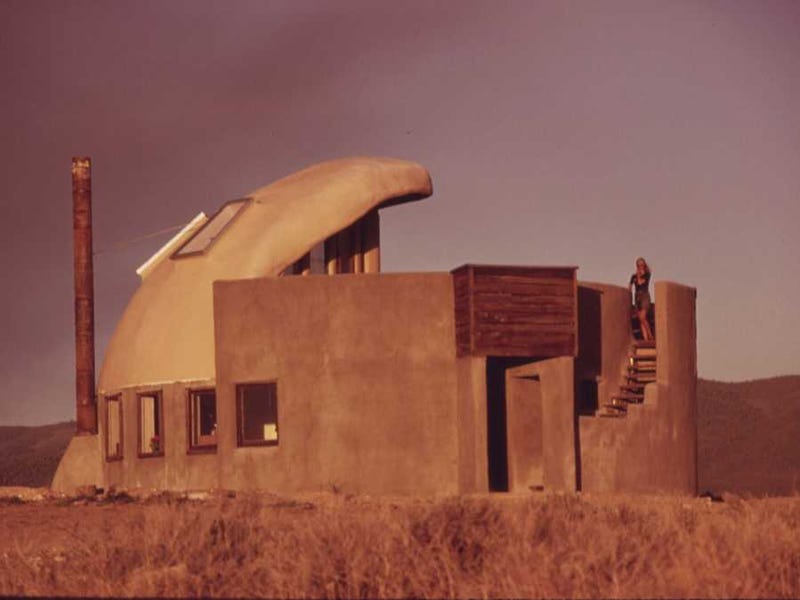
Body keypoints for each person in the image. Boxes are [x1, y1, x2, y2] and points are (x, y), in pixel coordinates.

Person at [630, 257, 654, 341]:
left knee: (643, 317)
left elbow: (641, 282)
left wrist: (639, 275)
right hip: (637, 297)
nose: (640, 266)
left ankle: (650, 335)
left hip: (644, 296)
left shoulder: (647, 274)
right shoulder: (633, 276)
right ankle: (646, 339)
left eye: (642, 264)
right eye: (639, 265)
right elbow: (630, 286)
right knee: (641, 319)